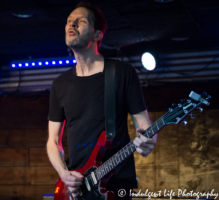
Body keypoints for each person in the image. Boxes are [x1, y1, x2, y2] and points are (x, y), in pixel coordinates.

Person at [46, 1, 157, 199]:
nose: (72, 24)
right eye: (69, 21)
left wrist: (148, 142)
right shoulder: (59, 84)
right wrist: (64, 174)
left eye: (80, 21)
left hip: (114, 185)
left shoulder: (122, 73)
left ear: (98, 35)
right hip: (76, 187)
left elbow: (145, 127)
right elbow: (53, 141)